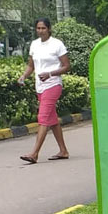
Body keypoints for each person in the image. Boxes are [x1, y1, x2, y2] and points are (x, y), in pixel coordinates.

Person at [17, 18, 71, 162]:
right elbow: (31, 66)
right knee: (52, 120)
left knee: (43, 118)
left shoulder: (57, 44)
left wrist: (50, 74)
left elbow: (66, 66)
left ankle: (34, 153)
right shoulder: (34, 45)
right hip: (40, 87)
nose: (40, 31)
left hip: (53, 85)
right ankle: (63, 151)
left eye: (43, 28)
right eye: (38, 28)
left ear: (49, 29)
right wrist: (24, 76)